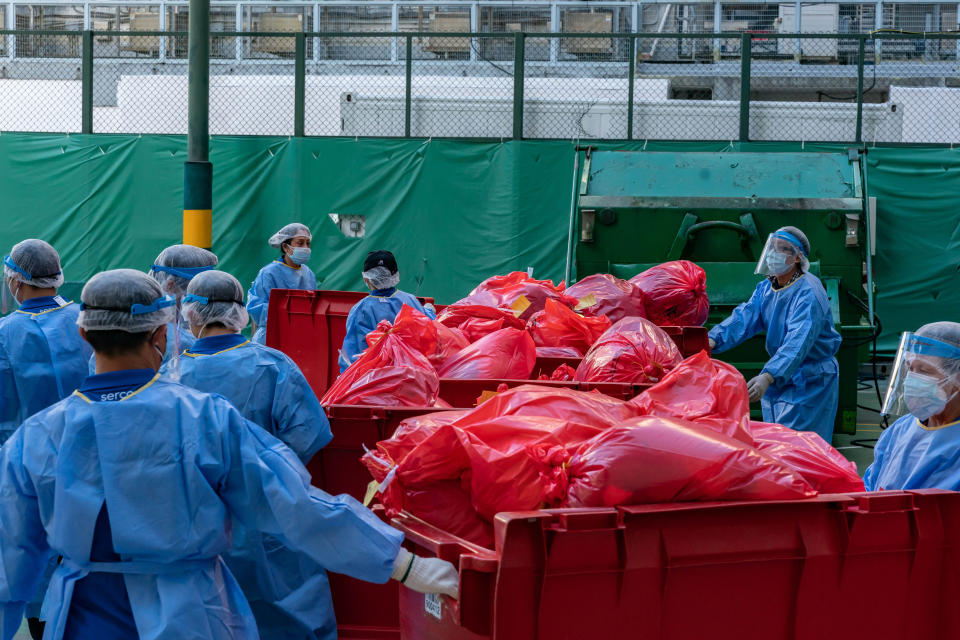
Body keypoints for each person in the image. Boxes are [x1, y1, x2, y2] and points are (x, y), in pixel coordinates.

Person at [0, 269, 458, 640]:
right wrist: (405, 564)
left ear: (82, 332)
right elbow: (294, 503)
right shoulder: (202, 419)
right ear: (163, 331)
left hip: (83, 618)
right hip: (189, 616)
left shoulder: (36, 436)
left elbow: (9, 560)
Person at [171, 269, 335, 639]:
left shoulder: (172, 377)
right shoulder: (273, 366)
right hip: (272, 520)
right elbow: (309, 434)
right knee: (286, 619)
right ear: (241, 313)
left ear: (190, 314)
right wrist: (262, 474)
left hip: (198, 526)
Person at [0, 239, 93, 640]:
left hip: (25, 467)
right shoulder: (89, 323)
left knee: (28, 553)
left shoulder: (6, 333)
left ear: (16, 280)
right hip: (93, 463)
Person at [708, 226, 841, 443]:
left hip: (809, 380)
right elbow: (745, 316)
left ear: (798, 257)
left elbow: (798, 342)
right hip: (785, 377)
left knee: (800, 450)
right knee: (778, 446)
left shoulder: (808, 293)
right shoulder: (767, 287)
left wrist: (769, 375)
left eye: (783, 249)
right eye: (772, 247)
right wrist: (713, 340)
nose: (773, 254)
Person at [89, 244, 218, 373]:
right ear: (170, 285)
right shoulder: (179, 341)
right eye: (195, 292)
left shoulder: (122, 325)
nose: (200, 302)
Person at [864, 322, 960, 491]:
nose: (912, 379)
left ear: (957, 378)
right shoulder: (900, 430)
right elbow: (870, 488)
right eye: (910, 369)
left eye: (924, 371)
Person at [339, 250, 436, 372]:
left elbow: (351, 355)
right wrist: (429, 310)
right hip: (411, 376)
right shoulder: (410, 301)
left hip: (375, 381)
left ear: (366, 279)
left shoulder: (360, 310)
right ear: (395, 275)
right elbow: (429, 327)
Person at [247, 223, 316, 345]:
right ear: (285, 247)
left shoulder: (308, 273)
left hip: (299, 337)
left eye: (308, 243)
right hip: (271, 337)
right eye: (300, 243)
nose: (305, 247)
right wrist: (288, 315)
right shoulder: (269, 273)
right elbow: (256, 308)